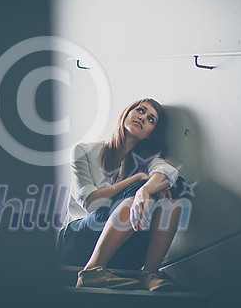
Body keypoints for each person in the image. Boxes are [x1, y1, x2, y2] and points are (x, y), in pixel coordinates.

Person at [57, 98, 189, 291]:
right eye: (140, 111)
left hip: (121, 251)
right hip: (77, 242)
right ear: (126, 114)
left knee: (173, 193)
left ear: (150, 134)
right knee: (142, 186)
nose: (143, 118)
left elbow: (170, 174)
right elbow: (91, 202)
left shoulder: (147, 161)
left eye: (151, 119)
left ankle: (149, 274)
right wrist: (133, 184)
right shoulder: (83, 150)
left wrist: (144, 191)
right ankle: (92, 270)